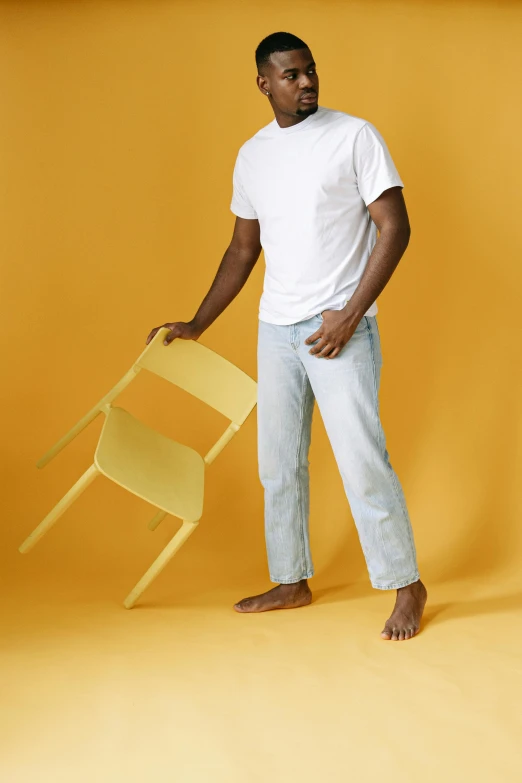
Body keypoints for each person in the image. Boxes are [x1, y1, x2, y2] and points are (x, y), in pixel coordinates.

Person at [146, 32, 427, 641]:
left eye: (310, 72)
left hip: (338, 327)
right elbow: (242, 249)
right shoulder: (253, 156)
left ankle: (406, 584)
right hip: (276, 329)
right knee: (278, 465)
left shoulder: (355, 136)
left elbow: (394, 227)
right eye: (292, 75)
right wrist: (197, 324)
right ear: (264, 83)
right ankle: (291, 580)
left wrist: (350, 315)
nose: (306, 83)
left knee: (360, 460)